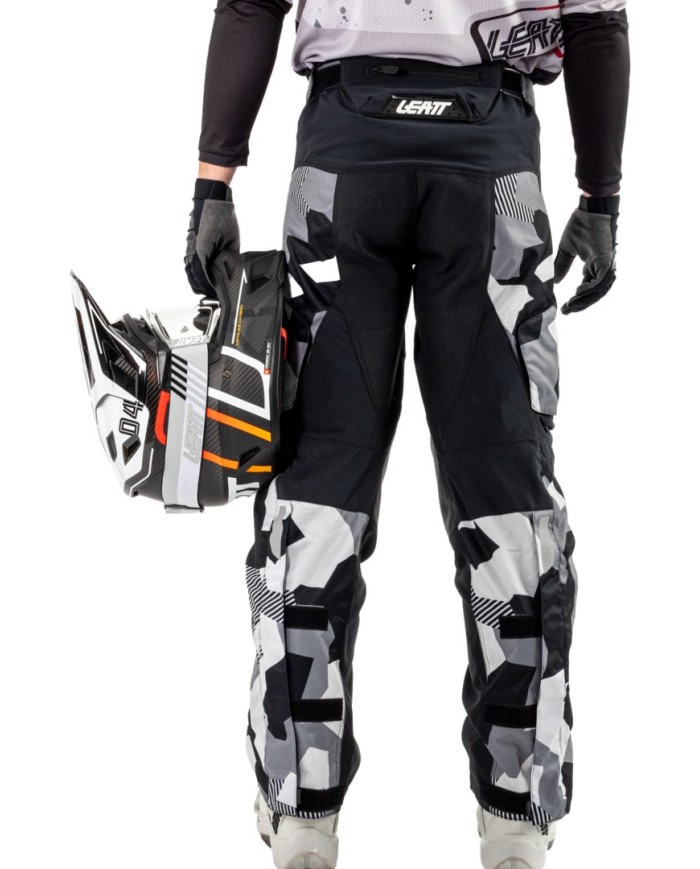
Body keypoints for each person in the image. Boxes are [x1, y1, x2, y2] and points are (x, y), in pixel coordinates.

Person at [185, 3, 630, 868]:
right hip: (490, 161)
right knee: (507, 489)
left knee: (316, 486)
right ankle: (516, 812)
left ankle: (302, 809)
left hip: (343, 156)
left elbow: (252, 5)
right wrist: (601, 197)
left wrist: (212, 183)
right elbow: (597, 24)